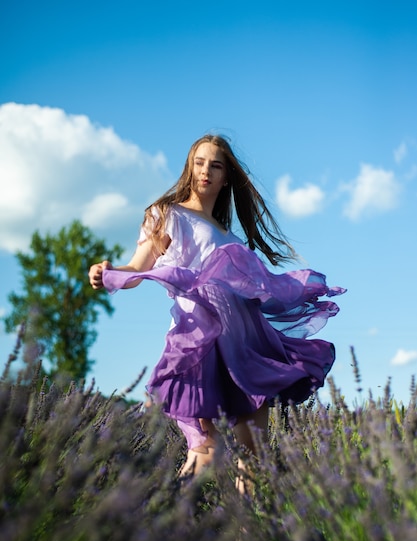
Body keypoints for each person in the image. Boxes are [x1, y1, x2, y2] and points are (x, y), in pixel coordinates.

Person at [89, 134, 345, 486]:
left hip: (246, 344)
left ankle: (250, 538)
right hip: (200, 343)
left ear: (226, 177)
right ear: (188, 168)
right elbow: (137, 269)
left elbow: (257, 293)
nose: (205, 171)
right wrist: (109, 272)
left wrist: (296, 290)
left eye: (215, 165)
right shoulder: (167, 215)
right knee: (204, 451)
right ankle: (162, 528)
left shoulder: (232, 240)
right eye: (199, 162)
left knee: (254, 455)